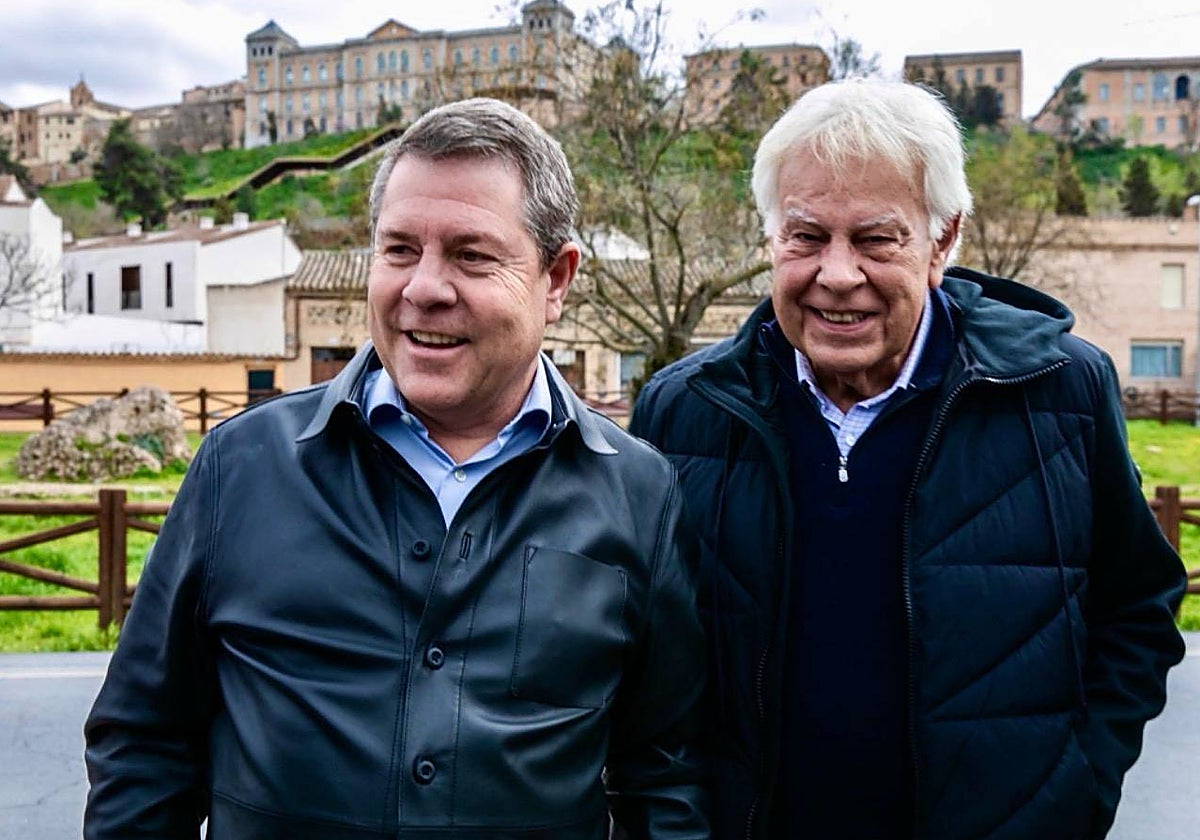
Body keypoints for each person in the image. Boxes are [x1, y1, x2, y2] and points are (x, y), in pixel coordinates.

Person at [85, 98, 709, 840]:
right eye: (400, 250)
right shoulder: (241, 467)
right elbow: (144, 745)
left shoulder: (638, 495)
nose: (423, 288)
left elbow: (665, 775)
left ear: (556, 279)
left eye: (472, 255)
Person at [630, 79, 1187, 839]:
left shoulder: (1060, 390)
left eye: (875, 240)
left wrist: (1074, 791)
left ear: (943, 240)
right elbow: (649, 664)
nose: (837, 275)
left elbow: (1138, 605)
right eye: (805, 237)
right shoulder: (682, 410)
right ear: (769, 239)